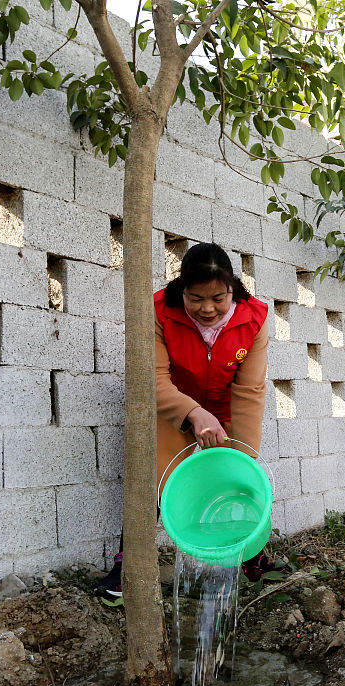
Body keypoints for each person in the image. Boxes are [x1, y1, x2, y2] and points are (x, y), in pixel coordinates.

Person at [95, 243, 272, 605]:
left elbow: (250, 390)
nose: (207, 308)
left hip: (225, 412)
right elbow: (153, 379)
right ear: (182, 291)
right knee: (155, 482)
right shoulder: (161, 311)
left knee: (235, 478)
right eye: (196, 298)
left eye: (218, 298)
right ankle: (128, 568)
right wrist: (191, 413)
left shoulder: (253, 318)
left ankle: (250, 555)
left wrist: (245, 455)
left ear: (233, 290)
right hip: (172, 408)